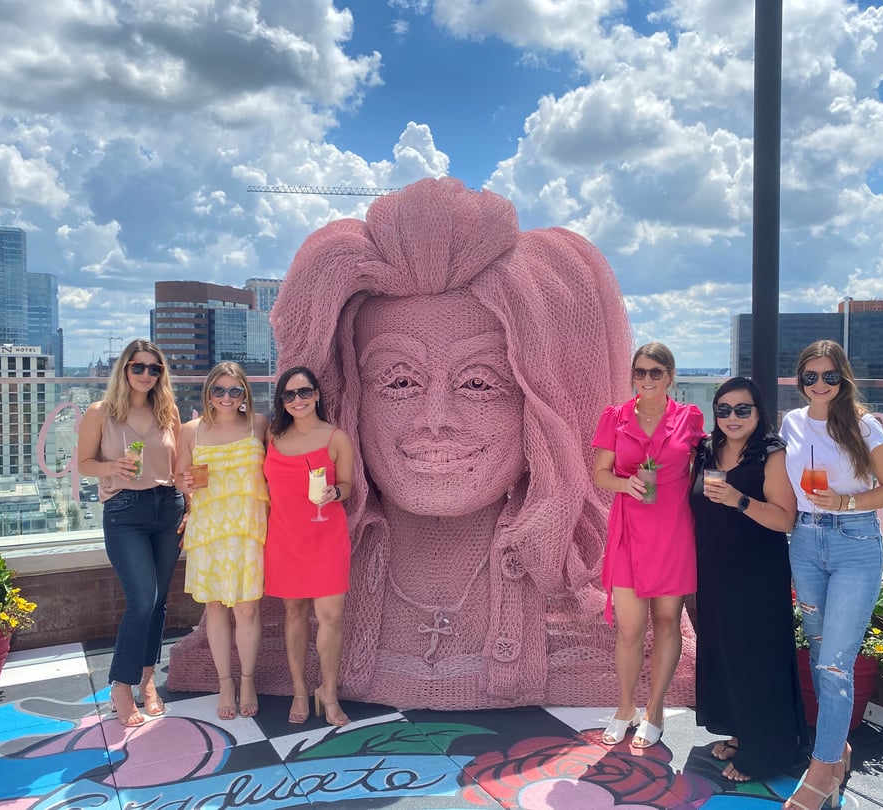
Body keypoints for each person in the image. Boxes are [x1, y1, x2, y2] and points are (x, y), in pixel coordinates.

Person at [266, 177, 649, 710]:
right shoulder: (289, 596)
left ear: (541, 410)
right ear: (351, 401)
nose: (436, 419)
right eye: (399, 381)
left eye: (479, 382)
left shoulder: (594, 600)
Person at [780, 340, 883, 810]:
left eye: (829, 376)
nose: (819, 384)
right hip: (806, 541)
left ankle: (821, 771)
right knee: (817, 652)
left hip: (854, 543)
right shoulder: (791, 422)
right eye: (809, 376)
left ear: (843, 378)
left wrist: (848, 502)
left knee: (835, 664)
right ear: (800, 380)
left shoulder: (864, 424)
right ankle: (839, 754)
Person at [689, 376, 807, 782]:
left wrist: (740, 500)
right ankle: (742, 734)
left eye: (743, 409)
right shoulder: (706, 450)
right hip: (715, 571)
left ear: (759, 412)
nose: (732, 417)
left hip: (757, 573)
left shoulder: (770, 455)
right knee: (727, 656)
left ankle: (767, 752)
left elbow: (784, 518)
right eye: (724, 409)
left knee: (758, 659)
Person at [592, 342, 704, 751]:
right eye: (640, 372)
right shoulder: (615, 417)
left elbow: (709, 464)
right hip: (628, 531)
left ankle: (655, 710)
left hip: (673, 531)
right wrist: (625, 483)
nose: (647, 379)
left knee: (668, 622)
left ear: (671, 376)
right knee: (629, 629)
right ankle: (626, 708)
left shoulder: (689, 418)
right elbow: (600, 474)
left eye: (656, 372)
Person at [77, 339, 185, 727]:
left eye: (154, 369)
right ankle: (121, 684)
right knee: (142, 599)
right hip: (125, 511)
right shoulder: (101, 412)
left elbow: (177, 466)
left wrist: (190, 501)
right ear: (124, 369)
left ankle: (147, 677)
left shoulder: (167, 410)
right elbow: (84, 464)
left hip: (168, 506)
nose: (146, 375)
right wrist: (112, 468)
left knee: (158, 602)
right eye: (138, 367)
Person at [175, 362, 269, 720]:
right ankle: (225, 682)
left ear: (245, 393)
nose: (227, 398)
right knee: (214, 607)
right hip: (209, 528)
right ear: (208, 393)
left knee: (247, 609)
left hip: (248, 527)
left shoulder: (259, 425)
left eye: (235, 390)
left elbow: (277, 471)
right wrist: (183, 489)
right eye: (219, 390)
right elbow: (180, 479)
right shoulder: (191, 431)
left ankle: (247, 680)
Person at [263, 366, 355, 726]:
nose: (297, 400)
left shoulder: (336, 438)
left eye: (303, 392)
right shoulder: (271, 435)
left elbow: (347, 484)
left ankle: (328, 693)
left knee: (331, 618)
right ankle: (300, 691)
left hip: (326, 537)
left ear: (317, 394)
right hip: (285, 538)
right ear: (281, 402)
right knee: (294, 614)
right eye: (288, 395)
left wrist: (336, 492)